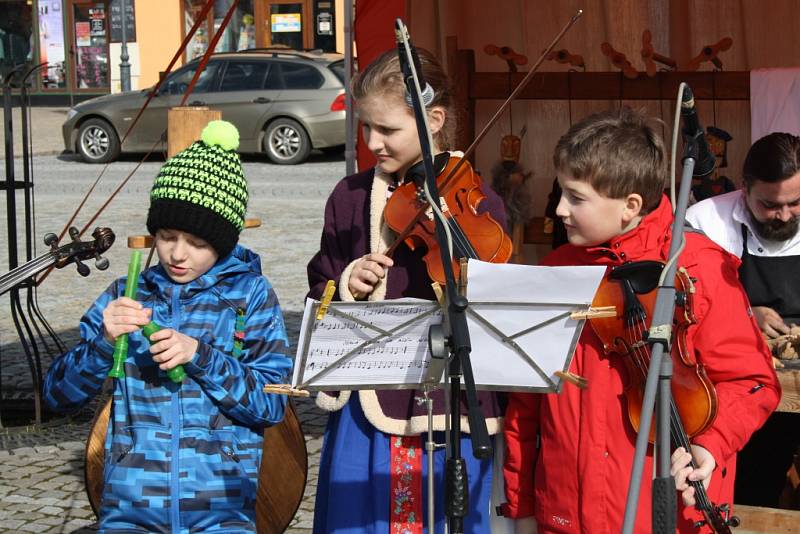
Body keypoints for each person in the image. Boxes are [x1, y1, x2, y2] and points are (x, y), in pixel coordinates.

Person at [501, 108, 780, 532]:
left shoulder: (697, 269)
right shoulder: (555, 274)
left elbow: (753, 381)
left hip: (663, 514)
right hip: (565, 514)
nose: (559, 209)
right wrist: (520, 507)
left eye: (576, 198)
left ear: (631, 205)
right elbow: (526, 405)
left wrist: (713, 443)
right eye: (561, 193)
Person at [44, 121, 293, 532]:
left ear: (224, 242)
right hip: (129, 513)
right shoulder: (125, 293)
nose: (178, 253)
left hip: (222, 511)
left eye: (198, 243)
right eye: (166, 235)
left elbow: (271, 405)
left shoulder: (251, 295)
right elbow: (57, 396)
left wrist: (201, 356)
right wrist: (103, 345)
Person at [307, 48, 508, 533]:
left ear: (433, 119)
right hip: (367, 399)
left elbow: (497, 299)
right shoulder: (350, 197)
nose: (373, 141)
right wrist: (346, 282)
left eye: (388, 130)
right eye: (366, 128)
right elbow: (320, 287)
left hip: (452, 405)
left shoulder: (478, 202)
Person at [686, 131, 800, 508]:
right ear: (744, 187)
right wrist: (745, 312)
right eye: (769, 205)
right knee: (752, 483)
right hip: (740, 384)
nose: (784, 215)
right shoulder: (706, 222)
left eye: (795, 203)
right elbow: (687, 304)